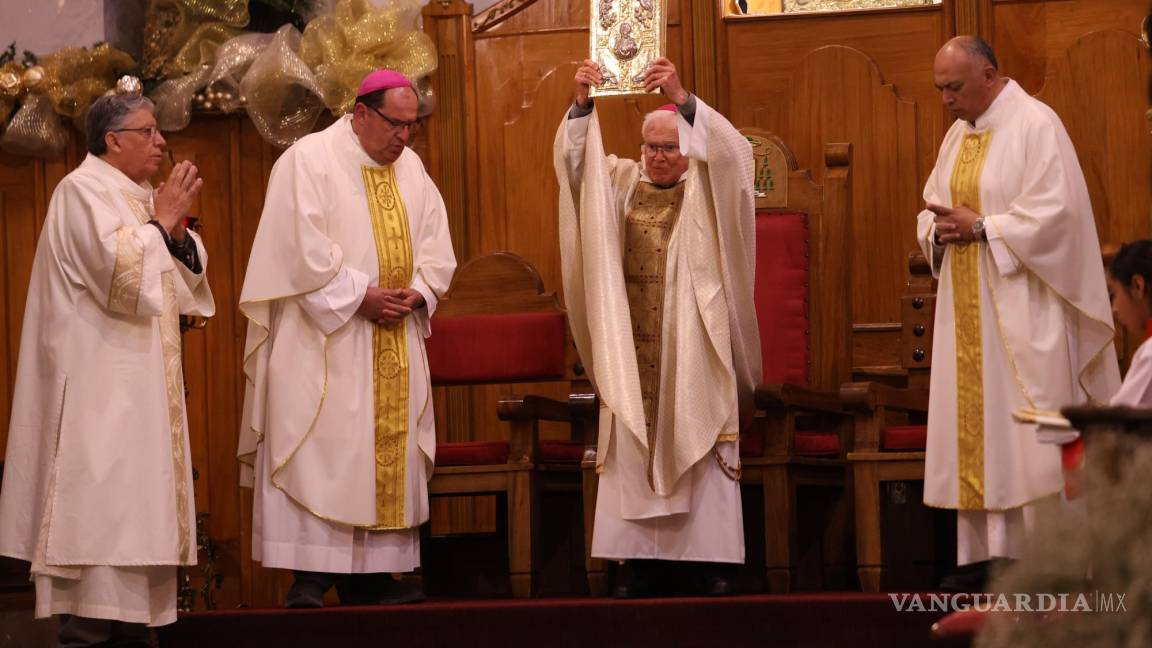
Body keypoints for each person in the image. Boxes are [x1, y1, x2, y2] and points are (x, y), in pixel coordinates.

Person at [0, 88, 213, 646]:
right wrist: (163, 222)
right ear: (112, 140)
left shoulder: (138, 195)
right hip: (100, 403)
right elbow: (117, 276)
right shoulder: (81, 191)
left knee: (135, 580)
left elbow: (185, 281)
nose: (161, 142)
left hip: (138, 401)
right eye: (148, 131)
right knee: (98, 555)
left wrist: (173, 229)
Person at [237, 69, 456, 608]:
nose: (404, 137)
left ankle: (374, 576)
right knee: (321, 448)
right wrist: (361, 296)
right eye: (394, 124)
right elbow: (298, 249)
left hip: (393, 338)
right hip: (324, 338)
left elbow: (437, 245)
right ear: (361, 113)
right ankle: (311, 576)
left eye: (412, 126)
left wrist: (420, 293)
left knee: (380, 452)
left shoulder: (414, 169)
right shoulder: (306, 161)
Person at [917, 36, 1120, 592]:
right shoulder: (958, 136)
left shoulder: (1037, 125)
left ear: (989, 74)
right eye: (939, 90)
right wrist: (937, 227)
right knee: (979, 435)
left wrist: (984, 226)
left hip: (1027, 312)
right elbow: (934, 203)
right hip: (968, 310)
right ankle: (984, 560)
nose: (946, 102)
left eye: (954, 88)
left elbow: (1059, 215)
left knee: (1028, 439)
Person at [554, 57, 761, 597]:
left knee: (695, 422)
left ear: (688, 146)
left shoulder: (710, 185)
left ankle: (707, 561)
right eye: (652, 146)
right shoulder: (620, 183)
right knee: (633, 430)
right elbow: (575, 174)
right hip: (632, 343)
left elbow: (738, 157)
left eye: (671, 146)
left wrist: (684, 97)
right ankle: (637, 562)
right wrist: (581, 106)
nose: (660, 156)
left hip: (692, 340)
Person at [1106, 241, 1152, 406]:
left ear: (1137, 286)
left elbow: (1116, 424)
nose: (1115, 307)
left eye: (1114, 293)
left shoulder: (1150, 355)